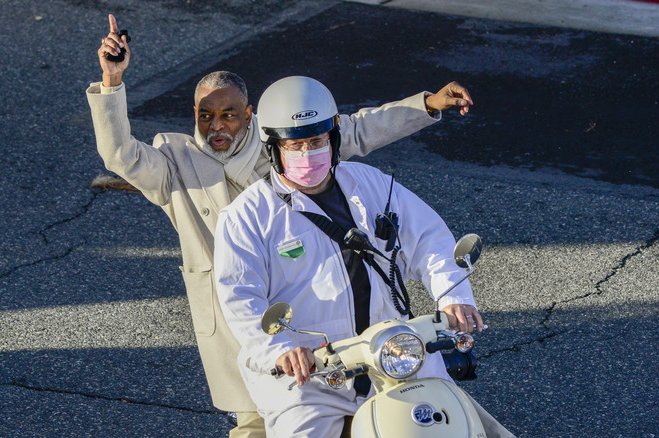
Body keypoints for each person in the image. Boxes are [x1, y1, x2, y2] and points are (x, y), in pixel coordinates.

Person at [88, 14, 474, 438]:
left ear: (252, 117)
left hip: (342, 322)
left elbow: (359, 129)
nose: (216, 126)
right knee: (257, 423)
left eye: (229, 114)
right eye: (205, 115)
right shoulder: (176, 163)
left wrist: (426, 104)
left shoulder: (295, 139)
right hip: (249, 319)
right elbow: (121, 155)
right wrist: (112, 81)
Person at [214, 76, 513, 437]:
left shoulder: (373, 185)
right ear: (274, 148)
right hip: (311, 377)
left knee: (478, 431)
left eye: (316, 141)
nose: (307, 153)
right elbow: (240, 296)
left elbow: (430, 241)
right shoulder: (246, 217)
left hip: (395, 357)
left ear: (334, 137)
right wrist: (279, 349)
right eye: (295, 146)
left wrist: (454, 297)